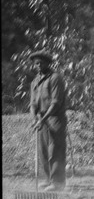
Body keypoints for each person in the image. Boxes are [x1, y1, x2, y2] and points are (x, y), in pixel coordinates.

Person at [28, 50, 68, 191]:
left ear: (48, 63)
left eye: (41, 63)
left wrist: (43, 118)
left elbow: (55, 103)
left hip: (55, 118)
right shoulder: (35, 82)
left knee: (55, 150)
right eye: (36, 63)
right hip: (41, 119)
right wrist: (35, 118)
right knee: (44, 151)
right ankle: (48, 179)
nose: (38, 65)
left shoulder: (55, 78)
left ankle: (58, 182)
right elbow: (33, 104)